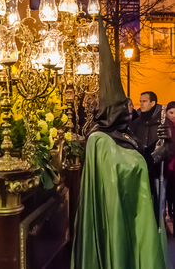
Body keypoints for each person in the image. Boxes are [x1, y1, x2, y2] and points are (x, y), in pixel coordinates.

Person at [71, 18, 167, 268]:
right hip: (115, 217)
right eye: (126, 104)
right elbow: (117, 176)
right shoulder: (99, 139)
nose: (131, 107)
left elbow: (138, 156)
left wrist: (156, 154)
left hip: (135, 208)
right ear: (114, 110)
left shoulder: (124, 133)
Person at [129, 91, 175, 214]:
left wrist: (161, 153)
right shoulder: (136, 123)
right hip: (141, 169)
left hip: (158, 171)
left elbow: (170, 146)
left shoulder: (163, 123)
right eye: (140, 101)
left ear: (153, 103)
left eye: (144, 101)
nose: (141, 104)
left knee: (158, 205)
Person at [166, 101, 175, 225]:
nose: (173, 115)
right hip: (169, 164)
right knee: (170, 190)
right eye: (171, 112)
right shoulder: (165, 126)